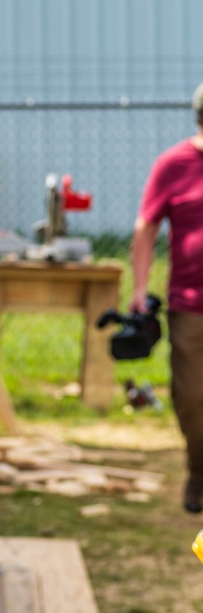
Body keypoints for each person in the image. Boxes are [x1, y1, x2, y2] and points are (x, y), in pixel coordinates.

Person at [131, 83, 203, 513]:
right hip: (190, 304)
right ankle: (198, 470)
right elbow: (146, 227)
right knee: (192, 395)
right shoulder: (174, 164)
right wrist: (140, 290)